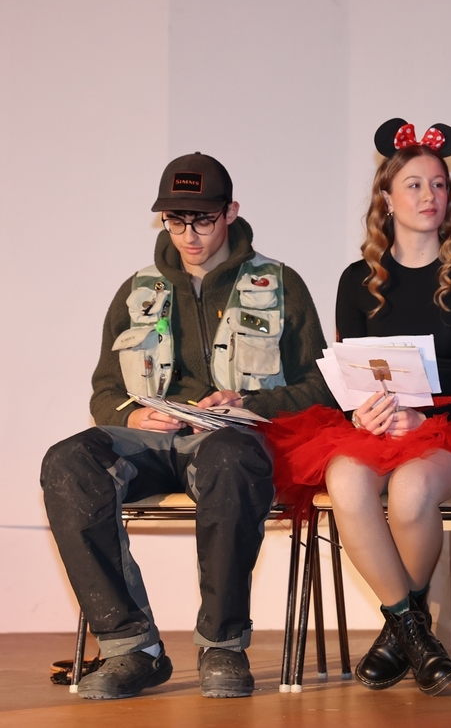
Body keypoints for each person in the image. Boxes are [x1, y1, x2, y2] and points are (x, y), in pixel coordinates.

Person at [40, 152, 334, 700]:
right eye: (176, 221)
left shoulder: (280, 284)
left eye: (202, 220)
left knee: (229, 455)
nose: (189, 235)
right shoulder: (137, 291)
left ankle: (222, 644)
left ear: (231, 212)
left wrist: (250, 402)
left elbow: (322, 387)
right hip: (152, 443)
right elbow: (105, 391)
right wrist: (131, 415)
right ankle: (132, 649)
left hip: (235, 443)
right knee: (68, 462)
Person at [268, 118, 451, 696]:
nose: (429, 196)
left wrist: (429, 419)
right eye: (414, 185)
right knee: (345, 479)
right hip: (382, 424)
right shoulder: (357, 280)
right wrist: (360, 415)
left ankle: (400, 632)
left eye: (439, 184)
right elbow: (350, 381)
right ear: (387, 199)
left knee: (413, 488)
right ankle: (414, 632)